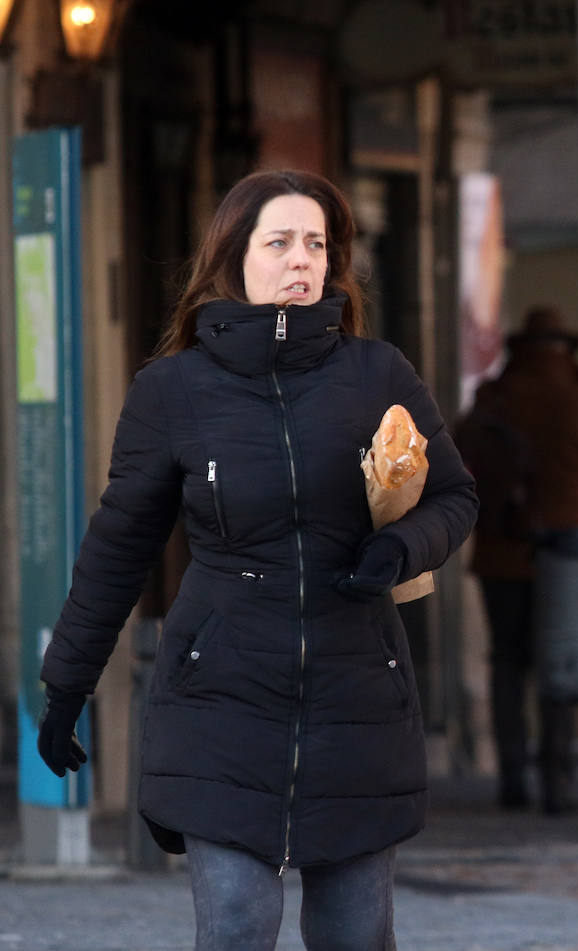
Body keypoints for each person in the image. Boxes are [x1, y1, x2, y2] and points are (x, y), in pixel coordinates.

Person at [35, 169, 478, 951]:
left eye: (316, 244)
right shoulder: (172, 391)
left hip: (356, 699)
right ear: (235, 256)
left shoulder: (379, 374)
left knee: (355, 934)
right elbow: (119, 546)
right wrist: (68, 682)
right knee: (239, 922)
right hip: (221, 696)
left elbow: (454, 496)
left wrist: (400, 547)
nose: (300, 260)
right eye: (279, 242)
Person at [454, 306, 578, 813]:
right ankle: (559, 776)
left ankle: (513, 772)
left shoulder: (496, 400)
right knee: (562, 662)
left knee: (507, 661)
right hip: (568, 554)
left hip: (502, 552)